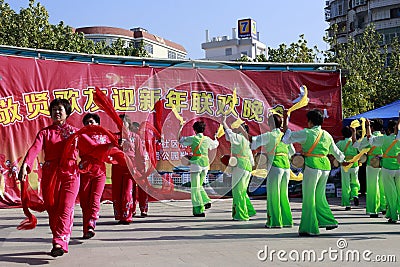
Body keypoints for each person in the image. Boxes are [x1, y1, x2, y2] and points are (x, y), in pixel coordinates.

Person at [18, 98, 79, 257]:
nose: (57, 112)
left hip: (70, 173)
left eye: (60, 109)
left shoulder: (75, 132)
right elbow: (34, 149)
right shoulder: (45, 133)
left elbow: (90, 146)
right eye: (54, 109)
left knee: (66, 207)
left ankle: (59, 241)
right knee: (52, 209)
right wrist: (26, 165)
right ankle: (58, 237)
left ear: (67, 112)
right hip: (50, 174)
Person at [282, 109, 347, 236]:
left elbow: (287, 138)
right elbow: (336, 152)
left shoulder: (307, 133)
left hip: (312, 166)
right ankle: (328, 221)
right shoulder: (326, 135)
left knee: (309, 198)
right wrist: (343, 160)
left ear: (310, 121)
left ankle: (309, 228)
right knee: (320, 196)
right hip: (325, 167)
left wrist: (285, 119)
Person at [251, 114, 295, 228]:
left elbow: (253, 142)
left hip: (275, 166)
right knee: (284, 194)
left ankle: (275, 222)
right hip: (286, 167)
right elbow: (292, 152)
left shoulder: (270, 135)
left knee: (273, 194)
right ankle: (286, 220)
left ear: (270, 124)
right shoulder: (285, 136)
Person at [78, 113, 110, 239]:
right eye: (86, 123)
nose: (89, 124)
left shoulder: (105, 137)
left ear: (98, 124)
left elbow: (110, 150)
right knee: (85, 202)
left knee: (95, 199)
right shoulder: (81, 137)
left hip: (99, 172)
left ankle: (92, 222)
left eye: (91, 122)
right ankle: (87, 229)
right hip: (84, 171)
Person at [178, 121, 219, 217]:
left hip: (196, 164)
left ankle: (199, 209)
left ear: (194, 130)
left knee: (195, 187)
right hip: (205, 164)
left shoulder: (194, 138)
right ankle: (206, 200)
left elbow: (180, 140)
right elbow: (215, 144)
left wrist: (180, 128)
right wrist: (216, 137)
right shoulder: (207, 139)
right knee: (199, 185)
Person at [111, 115, 146, 224]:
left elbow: (140, 154)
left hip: (130, 168)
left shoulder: (135, 137)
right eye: (118, 123)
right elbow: (108, 151)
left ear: (128, 124)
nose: (121, 126)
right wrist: (116, 146)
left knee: (127, 191)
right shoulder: (114, 137)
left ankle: (127, 216)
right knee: (117, 192)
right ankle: (120, 215)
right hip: (116, 167)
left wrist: (141, 168)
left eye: (123, 123)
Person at [222, 116, 256, 221]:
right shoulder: (247, 141)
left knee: (238, 191)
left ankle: (241, 215)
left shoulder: (239, 137)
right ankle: (249, 210)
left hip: (240, 166)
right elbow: (251, 159)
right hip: (247, 167)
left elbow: (229, 134)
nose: (234, 128)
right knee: (242, 190)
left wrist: (223, 122)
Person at [368, 119, 400, 223]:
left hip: (387, 168)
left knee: (390, 194)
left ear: (389, 129)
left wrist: (368, 126)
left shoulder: (384, 138)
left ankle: (393, 216)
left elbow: (370, 139)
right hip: (399, 167)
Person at [354, 118, 386, 217]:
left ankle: (373, 210)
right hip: (383, 162)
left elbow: (358, 147)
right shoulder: (384, 137)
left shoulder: (369, 138)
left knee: (372, 187)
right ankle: (384, 207)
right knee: (383, 186)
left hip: (372, 163)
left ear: (371, 127)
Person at [336, 126, 360, 210]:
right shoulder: (355, 143)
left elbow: (336, 154)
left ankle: (347, 204)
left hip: (345, 165)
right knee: (355, 182)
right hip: (354, 164)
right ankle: (355, 195)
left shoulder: (339, 143)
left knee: (346, 184)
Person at [129, 121, 149, 217]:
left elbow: (145, 154)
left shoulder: (144, 139)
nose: (137, 131)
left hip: (143, 166)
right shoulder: (131, 139)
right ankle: (132, 209)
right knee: (131, 188)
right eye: (134, 129)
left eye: (138, 129)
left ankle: (143, 209)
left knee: (143, 188)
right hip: (133, 165)